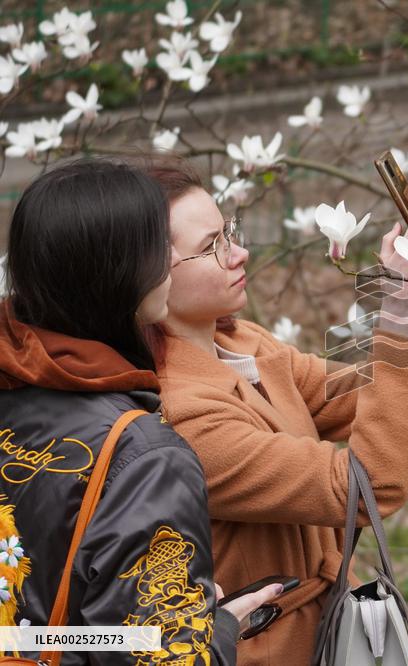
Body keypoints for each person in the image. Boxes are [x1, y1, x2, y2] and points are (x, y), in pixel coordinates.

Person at [145, 157, 408, 664]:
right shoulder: (180, 417)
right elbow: (365, 487)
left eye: (229, 232)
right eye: (211, 247)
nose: (240, 252)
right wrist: (398, 316)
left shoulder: (240, 343)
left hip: (328, 629)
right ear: (147, 279)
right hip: (269, 647)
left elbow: (375, 399)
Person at [0, 158, 281, 664]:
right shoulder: (145, 457)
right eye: (158, 247)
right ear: (118, 273)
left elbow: (32, 634)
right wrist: (218, 631)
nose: (169, 263)